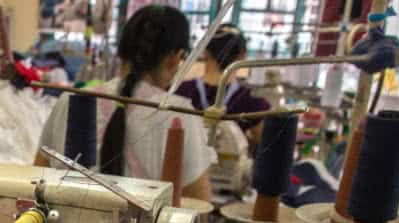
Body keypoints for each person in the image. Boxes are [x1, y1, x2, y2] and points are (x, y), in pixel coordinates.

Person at [37, 5, 215, 200]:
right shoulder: (180, 114)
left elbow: (37, 179)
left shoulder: (71, 100)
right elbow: (198, 203)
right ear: (174, 58)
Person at [175, 24, 271, 146]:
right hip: (232, 164)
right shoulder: (251, 100)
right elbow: (267, 145)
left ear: (205, 52)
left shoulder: (181, 91)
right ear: (243, 56)